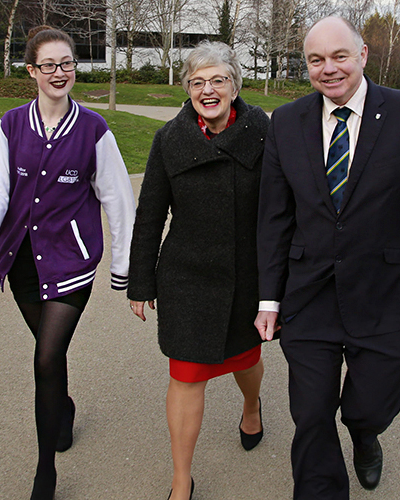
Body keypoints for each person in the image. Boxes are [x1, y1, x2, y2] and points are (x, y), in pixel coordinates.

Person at [254, 17, 400, 500]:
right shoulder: (287, 122)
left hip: (385, 292)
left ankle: (365, 434)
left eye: (339, 56)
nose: (328, 69)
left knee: (369, 406)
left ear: (363, 54)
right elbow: (273, 220)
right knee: (310, 415)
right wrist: (269, 298)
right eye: (315, 60)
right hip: (308, 296)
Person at [0, 26, 136, 500]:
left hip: (71, 263)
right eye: (49, 65)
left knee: (44, 356)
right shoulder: (11, 125)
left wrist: (123, 266)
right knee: (50, 355)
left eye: (67, 63)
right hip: (21, 263)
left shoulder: (94, 130)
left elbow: (119, 202)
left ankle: (45, 472)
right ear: (31, 71)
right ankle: (66, 405)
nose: (59, 73)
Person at [128, 40, 270, 500]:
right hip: (187, 277)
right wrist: (140, 281)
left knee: (245, 361)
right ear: (187, 88)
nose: (208, 90)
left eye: (217, 80)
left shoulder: (261, 130)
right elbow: (150, 213)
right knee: (186, 373)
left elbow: (282, 209)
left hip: (245, 276)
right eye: (197, 82)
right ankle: (181, 479)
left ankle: (252, 405)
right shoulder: (170, 139)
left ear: (234, 84)